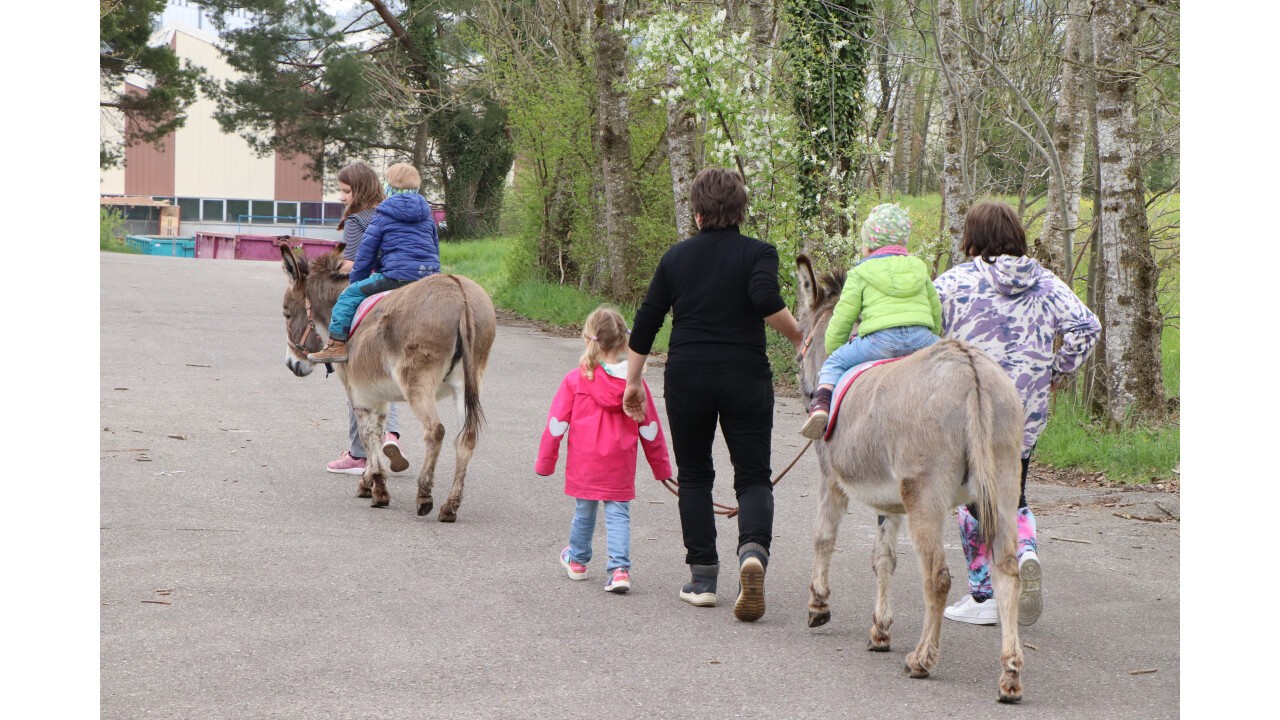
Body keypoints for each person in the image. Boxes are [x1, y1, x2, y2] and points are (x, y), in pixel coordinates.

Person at [623, 168, 803, 621]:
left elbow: (646, 323)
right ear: (741, 209)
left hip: (688, 376)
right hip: (746, 376)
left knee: (696, 475)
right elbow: (764, 298)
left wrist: (632, 383)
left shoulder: (676, 258)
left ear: (697, 212)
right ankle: (753, 552)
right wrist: (801, 338)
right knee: (753, 476)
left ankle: (703, 579)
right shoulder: (759, 253)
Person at [932, 200, 1101, 627]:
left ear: (973, 237)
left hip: (966, 409)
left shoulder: (953, 283)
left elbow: (921, 329)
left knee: (971, 498)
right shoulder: (1046, 283)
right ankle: (1024, 553)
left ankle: (986, 594)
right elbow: (1087, 326)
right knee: (1013, 493)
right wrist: (1057, 372)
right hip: (1024, 410)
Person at [536, 307, 673, 594]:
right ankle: (619, 569)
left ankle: (577, 560)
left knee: (584, 511)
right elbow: (651, 429)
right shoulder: (635, 384)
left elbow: (557, 423)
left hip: (585, 462)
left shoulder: (576, 380)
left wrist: (545, 462)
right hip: (619, 463)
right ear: (624, 342)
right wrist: (661, 468)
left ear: (589, 340)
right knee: (618, 514)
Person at [798, 203, 943, 440]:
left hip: (880, 342)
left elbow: (844, 317)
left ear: (869, 244)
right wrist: (931, 335)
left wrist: (835, 349)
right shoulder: (918, 267)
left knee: (833, 364)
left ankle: (821, 407)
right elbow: (935, 308)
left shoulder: (860, 273)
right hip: (922, 338)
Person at [308, 163, 441, 364]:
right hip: (428, 275)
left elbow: (365, 255)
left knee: (349, 296)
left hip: (396, 277)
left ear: (388, 186)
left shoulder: (382, 215)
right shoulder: (427, 216)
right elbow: (435, 247)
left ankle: (336, 345)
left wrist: (356, 281)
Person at [323, 162, 406, 475]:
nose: (343, 197)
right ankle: (391, 436)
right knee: (389, 373)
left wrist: (332, 266)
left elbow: (355, 263)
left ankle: (359, 454)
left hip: (372, 289)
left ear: (360, 190)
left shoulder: (357, 219)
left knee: (353, 369)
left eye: (346, 191)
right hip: (405, 287)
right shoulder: (391, 211)